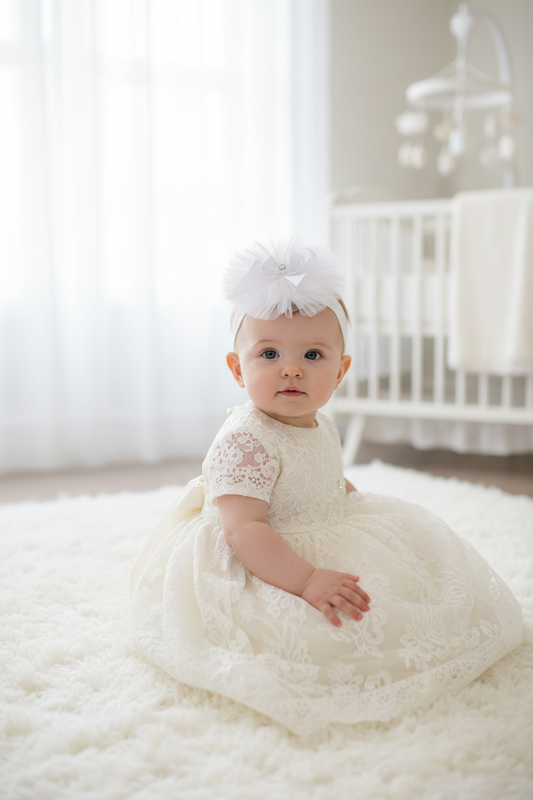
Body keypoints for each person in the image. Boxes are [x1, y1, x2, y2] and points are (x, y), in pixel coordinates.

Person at [129, 238, 522, 736]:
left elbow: (320, 471)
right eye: (268, 353)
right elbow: (244, 531)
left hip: (320, 525)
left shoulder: (321, 422)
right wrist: (307, 580)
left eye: (312, 354)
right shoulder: (245, 442)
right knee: (312, 637)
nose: (291, 368)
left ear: (340, 372)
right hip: (263, 554)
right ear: (236, 368)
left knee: (409, 584)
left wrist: (346, 496)